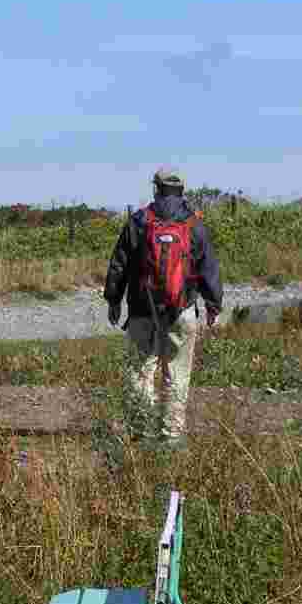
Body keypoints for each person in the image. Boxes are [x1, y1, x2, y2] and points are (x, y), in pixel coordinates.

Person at [104, 167, 223, 443]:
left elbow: (118, 265)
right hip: (181, 310)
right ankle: (171, 437)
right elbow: (209, 269)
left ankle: (140, 433)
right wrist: (213, 306)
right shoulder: (194, 225)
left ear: (155, 189)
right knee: (177, 374)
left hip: (141, 310)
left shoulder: (139, 221)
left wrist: (113, 300)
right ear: (182, 191)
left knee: (139, 372)